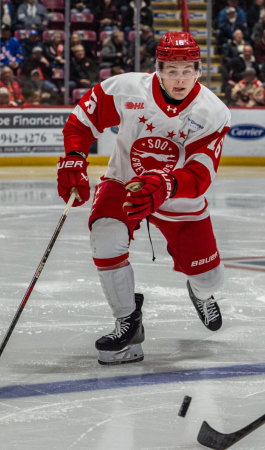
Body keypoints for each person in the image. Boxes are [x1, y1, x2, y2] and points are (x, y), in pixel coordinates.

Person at [58, 32, 230, 365]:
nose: (179, 79)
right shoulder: (125, 89)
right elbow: (81, 120)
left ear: (198, 70)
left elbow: (199, 175)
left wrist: (165, 185)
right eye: (171, 70)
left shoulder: (212, 112)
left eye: (187, 71)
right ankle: (128, 325)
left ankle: (200, 292)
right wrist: (74, 158)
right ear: (158, 69)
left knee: (211, 277)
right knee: (105, 236)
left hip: (178, 196)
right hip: (126, 180)